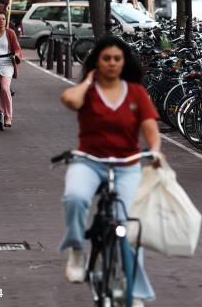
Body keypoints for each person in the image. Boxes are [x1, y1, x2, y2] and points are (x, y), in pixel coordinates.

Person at [59, 36, 161, 305]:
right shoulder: (88, 90)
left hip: (127, 167)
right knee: (75, 198)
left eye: (117, 58)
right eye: (106, 58)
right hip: (89, 162)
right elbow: (69, 100)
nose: (112, 63)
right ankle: (77, 250)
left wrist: (155, 151)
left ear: (124, 62)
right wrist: (89, 80)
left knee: (128, 230)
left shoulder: (136, 92)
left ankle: (135, 293)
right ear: (97, 62)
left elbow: (150, 128)